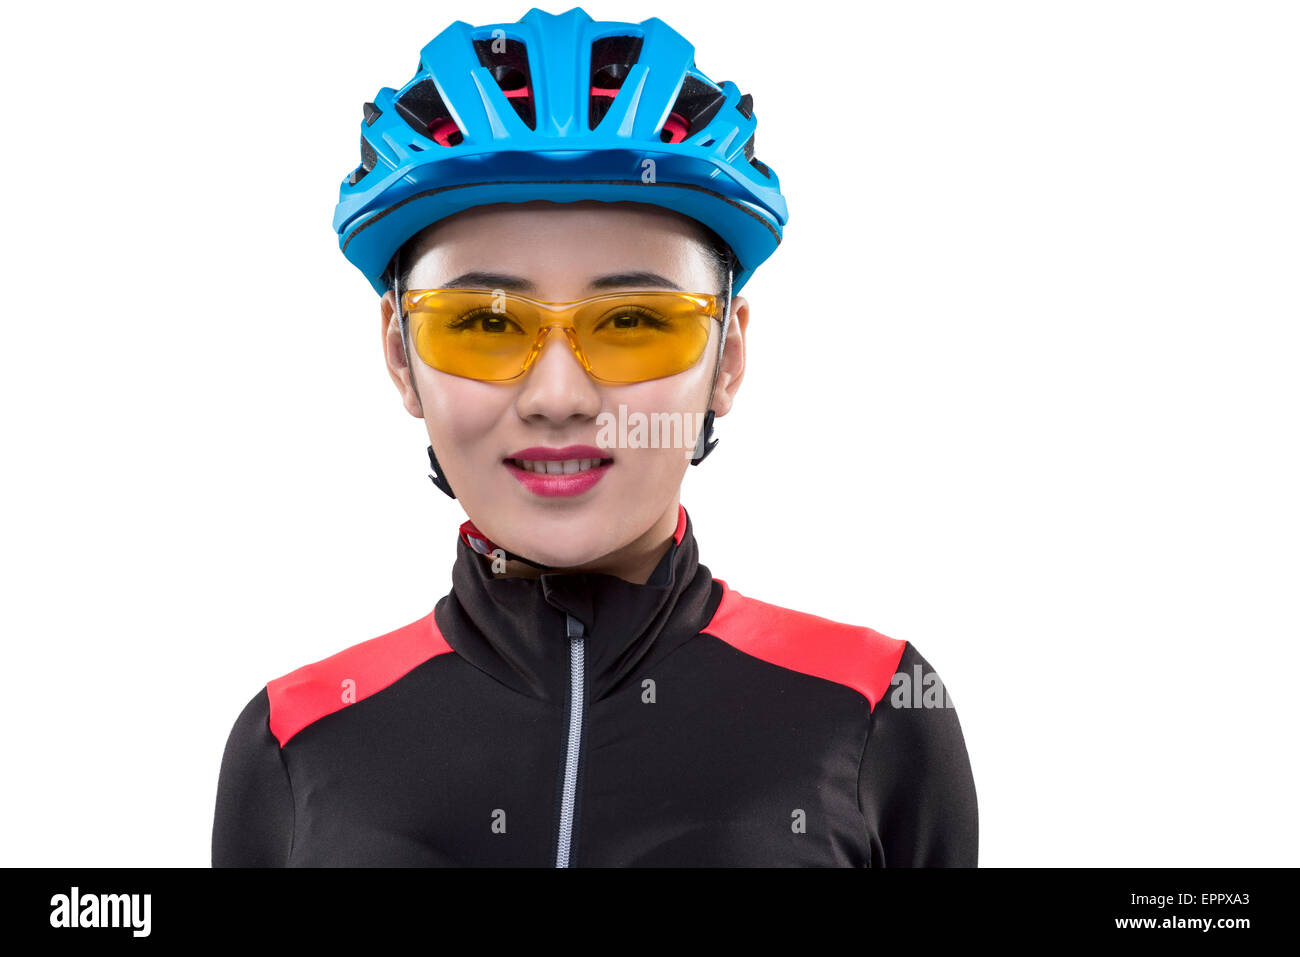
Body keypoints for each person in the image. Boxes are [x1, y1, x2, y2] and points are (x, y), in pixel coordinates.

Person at [211, 6, 978, 867]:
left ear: (728, 358)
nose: (559, 396)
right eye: (484, 324)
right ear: (400, 358)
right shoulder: (292, 740)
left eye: (634, 320)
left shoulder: (874, 708)